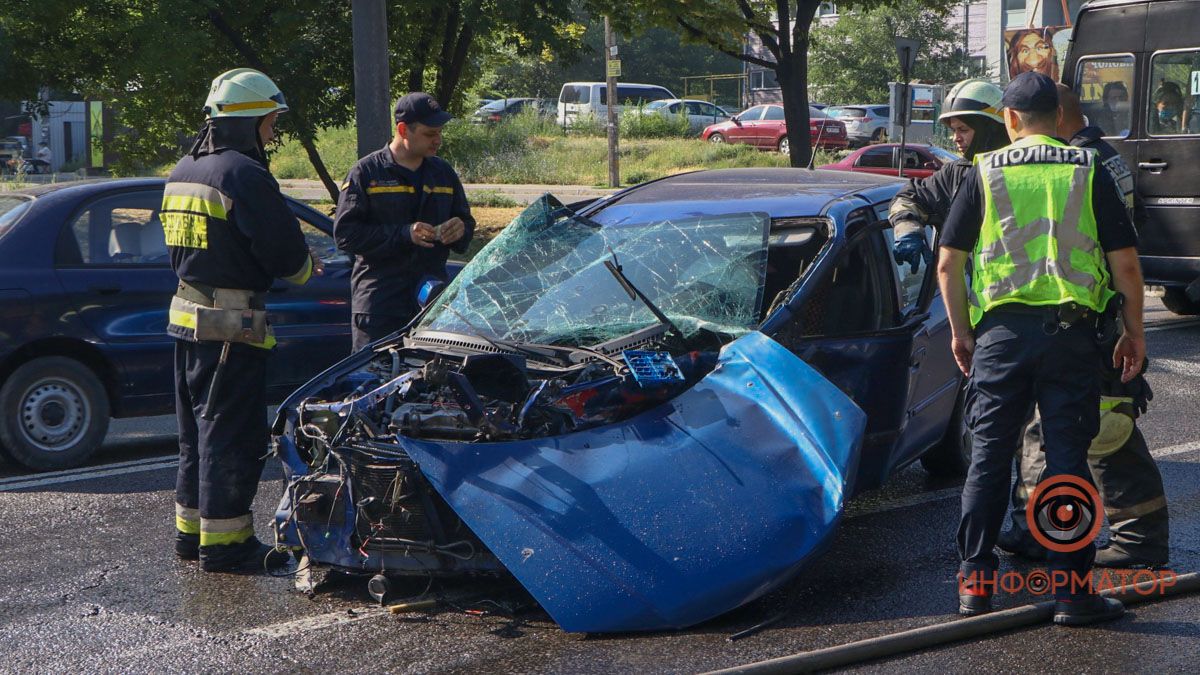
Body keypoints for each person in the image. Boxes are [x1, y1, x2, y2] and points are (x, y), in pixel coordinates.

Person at [937, 72, 1144, 624]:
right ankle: (1073, 594)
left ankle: (974, 587)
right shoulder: (1089, 167)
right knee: (1067, 462)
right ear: (1058, 115)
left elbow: (949, 262)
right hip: (1071, 337)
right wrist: (1134, 333)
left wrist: (961, 332)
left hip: (1000, 338)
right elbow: (1124, 263)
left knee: (988, 458)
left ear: (1007, 119)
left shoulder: (983, 171)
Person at [997, 84, 1168, 570]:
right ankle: (1038, 528)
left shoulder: (1083, 166)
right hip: (1093, 318)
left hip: (1092, 323)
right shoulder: (1103, 158)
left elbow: (1111, 255)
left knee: (1102, 433)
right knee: (1069, 430)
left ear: (1053, 120)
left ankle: (1136, 539)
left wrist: (1128, 331)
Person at [162, 68, 318, 572]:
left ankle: (191, 535)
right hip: (230, 327)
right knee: (232, 435)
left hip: (187, 320)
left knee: (196, 435)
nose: (273, 132)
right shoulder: (244, 176)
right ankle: (227, 546)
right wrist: (309, 266)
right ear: (249, 121)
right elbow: (287, 259)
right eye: (271, 121)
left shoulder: (184, 169)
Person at [335, 92, 475, 352]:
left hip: (429, 304)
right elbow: (346, 235)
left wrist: (461, 229)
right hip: (380, 305)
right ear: (403, 130)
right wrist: (403, 234)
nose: (438, 140)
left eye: (440, 132)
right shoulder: (366, 173)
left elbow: (466, 224)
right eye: (430, 133)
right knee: (373, 383)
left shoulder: (443, 173)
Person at [889, 79, 1008, 270]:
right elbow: (909, 197)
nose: (955, 138)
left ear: (990, 127)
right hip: (983, 293)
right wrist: (907, 229)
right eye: (953, 130)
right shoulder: (957, 173)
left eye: (963, 129)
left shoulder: (1022, 169)